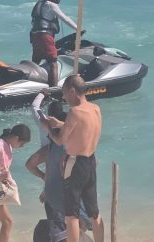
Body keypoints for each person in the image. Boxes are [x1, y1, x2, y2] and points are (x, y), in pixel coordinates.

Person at [42, 75, 104, 242]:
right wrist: (60, 124)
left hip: (75, 163)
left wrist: (48, 128)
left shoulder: (74, 112)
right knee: (94, 213)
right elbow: (85, 127)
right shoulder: (95, 109)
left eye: (64, 93)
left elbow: (60, 140)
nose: (64, 97)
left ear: (72, 91)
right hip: (90, 161)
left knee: (71, 216)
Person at [26, 109, 92, 242]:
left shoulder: (49, 149)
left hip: (51, 198)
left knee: (58, 234)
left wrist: (44, 178)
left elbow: (30, 164)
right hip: (70, 199)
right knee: (76, 231)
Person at [30, 0, 79, 87]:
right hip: (45, 37)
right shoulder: (51, 5)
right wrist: (78, 29)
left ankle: (30, 83)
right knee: (53, 63)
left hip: (35, 36)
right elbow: (65, 18)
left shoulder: (40, 4)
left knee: (35, 61)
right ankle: (54, 90)